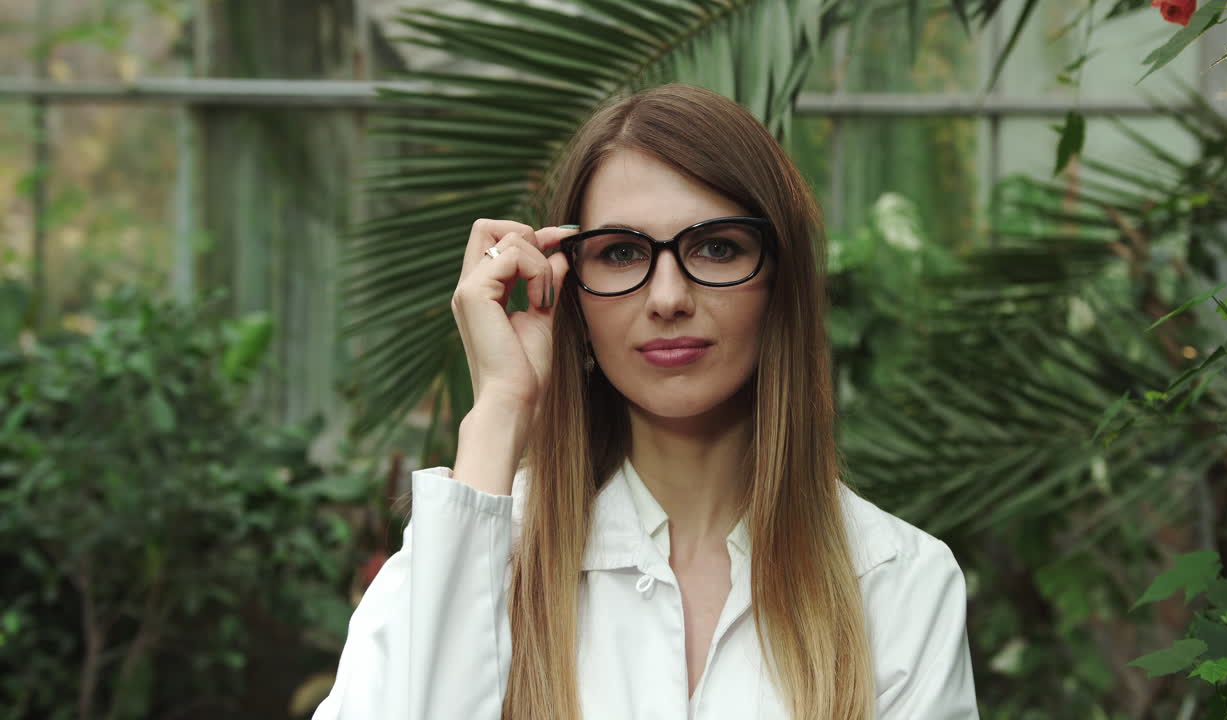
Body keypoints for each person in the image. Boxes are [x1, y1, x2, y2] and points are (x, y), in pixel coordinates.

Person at [313, 83, 978, 720]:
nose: (667, 297)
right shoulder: (470, 559)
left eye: (717, 247)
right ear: (569, 287)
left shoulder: (897, 582)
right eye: (622, 252)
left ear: (781, 281)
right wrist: (498, 413)